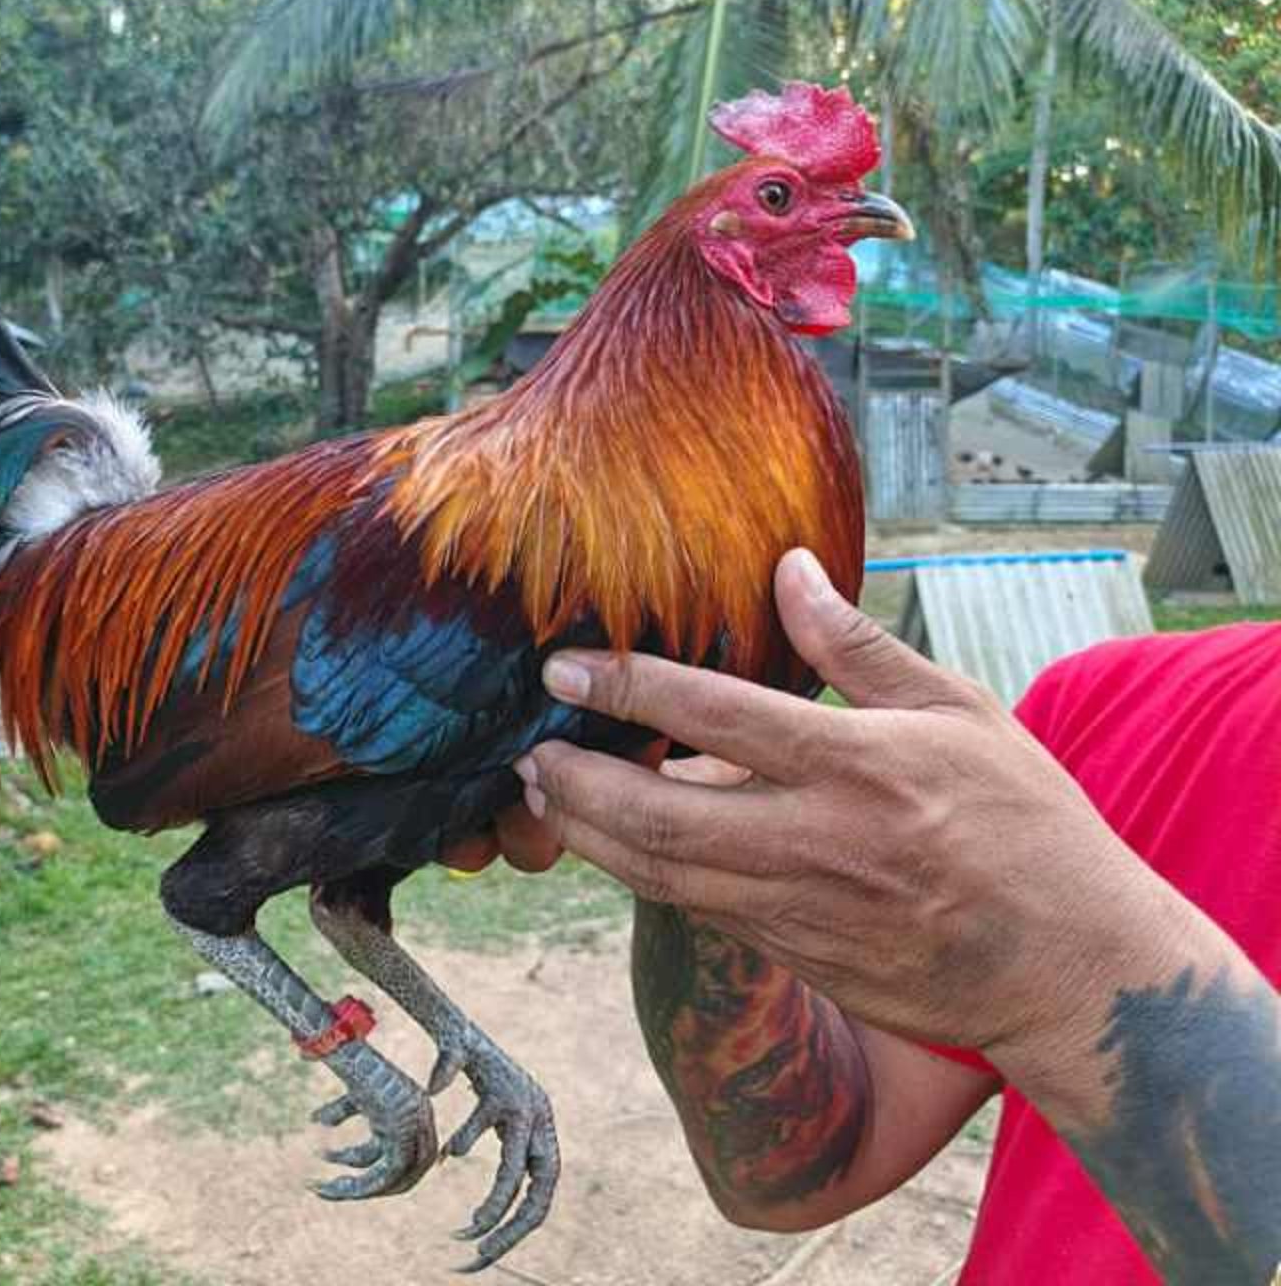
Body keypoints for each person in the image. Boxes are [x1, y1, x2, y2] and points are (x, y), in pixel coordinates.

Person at [502, 547, 1281, 1285]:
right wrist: (704, 848)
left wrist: (1073, 983)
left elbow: (1068, 982)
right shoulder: (1117, 706)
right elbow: (794, 1163)